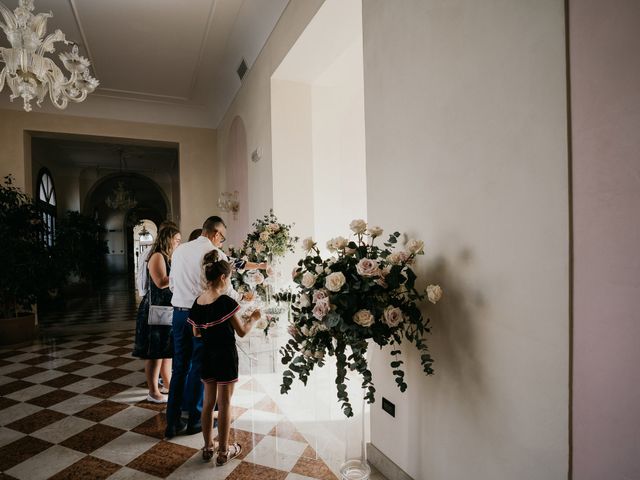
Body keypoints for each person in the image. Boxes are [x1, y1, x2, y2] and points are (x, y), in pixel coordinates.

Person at [165, 216, 249, 438]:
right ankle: (195, 419)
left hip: (178, 314)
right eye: (222, 237)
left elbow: (172, 284)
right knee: (198, 367)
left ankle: (172, 422)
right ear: (216, 234)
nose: (221, 242)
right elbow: (225, 290)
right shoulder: (216, 254)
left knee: (179, 368)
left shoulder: (180, 250)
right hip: (200, 314)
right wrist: (243, 300)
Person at [188, 250, 261, 464]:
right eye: (229, 277)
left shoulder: (198, 302)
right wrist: (254, 318)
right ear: (222, 277)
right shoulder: (226, 302)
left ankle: (208, 447)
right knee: (226, 403)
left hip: (206, 355)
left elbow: (196, 332)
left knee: (208, 402)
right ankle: (223, 451)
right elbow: (242, 332)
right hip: (226, 356)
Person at [132, 224, 181, 403]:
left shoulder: (169, 256)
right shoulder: (157, 256)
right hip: (155, 310)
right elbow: (160, 282)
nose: (178, 243)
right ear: (168, 239)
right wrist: (180, 274)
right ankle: (153, 391)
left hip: (165, 309)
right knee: (155, 353)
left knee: (167, 350)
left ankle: (167, 385)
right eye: (176, 240)